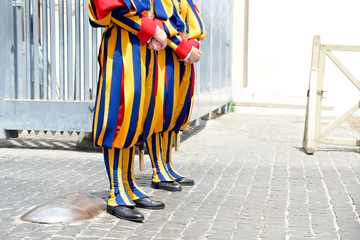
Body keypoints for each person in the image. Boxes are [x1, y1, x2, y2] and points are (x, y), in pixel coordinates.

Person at [88, 0, 170, 222]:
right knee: (119, 116)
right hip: (121, 45)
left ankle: (128, 185)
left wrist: (155, 31)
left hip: (140, 46)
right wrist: (150, 30)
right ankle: (117, 194)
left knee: (136, 117)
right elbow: (108, 8)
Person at [145, 0, 206, 191]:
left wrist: (192, 45)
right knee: (162, 111)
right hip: (166, 54)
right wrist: (184, 48)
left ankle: (167, 164)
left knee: (176, 112)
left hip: (182, 58)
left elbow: (191, 21)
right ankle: (158, 169)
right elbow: (160, 21)